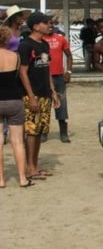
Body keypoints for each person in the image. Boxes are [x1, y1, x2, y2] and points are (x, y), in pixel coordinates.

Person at [18, 12, 61, 181]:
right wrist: (31, 96)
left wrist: (52, 90)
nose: (49, 25)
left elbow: (46, 69)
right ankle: (30, 168)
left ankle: (35, 167)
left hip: (45, 94)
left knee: (40, 131)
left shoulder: (44, 44)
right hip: (31, 95)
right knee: (31, 132)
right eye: (45, 22)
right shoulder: (26, 45)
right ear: (36, 26)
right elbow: (22, 72)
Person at [0, 25, 34, 187]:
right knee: (18, 141)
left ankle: (0, 179)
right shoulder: (15, 56)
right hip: (14, 99)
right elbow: (17, 76)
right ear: (7, 39)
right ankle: (22, 178)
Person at [43, 17, 73, 143]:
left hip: (59, 77)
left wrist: (68, 71)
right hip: (43, 77)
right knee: (45, 105)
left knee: (61, 104)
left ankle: (63, 132)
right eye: (47, 24)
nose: (49, 26)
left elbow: (69, 56)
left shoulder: (60, 39)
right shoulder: (39, 41)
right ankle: (44, 132)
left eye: (51, 24)